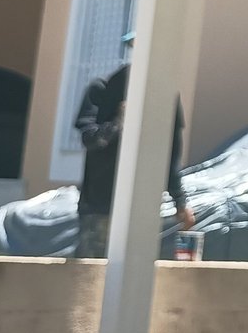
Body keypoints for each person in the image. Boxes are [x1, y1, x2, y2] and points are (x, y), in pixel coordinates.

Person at [72, 30, 196, 258]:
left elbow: (171, 155)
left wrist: (180, 202)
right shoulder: (101, 89)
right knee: (92, 273)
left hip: (143, 209)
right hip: (100, 208)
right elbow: (89, 139)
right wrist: (118, 123)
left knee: (136, 272)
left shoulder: (167, 96)